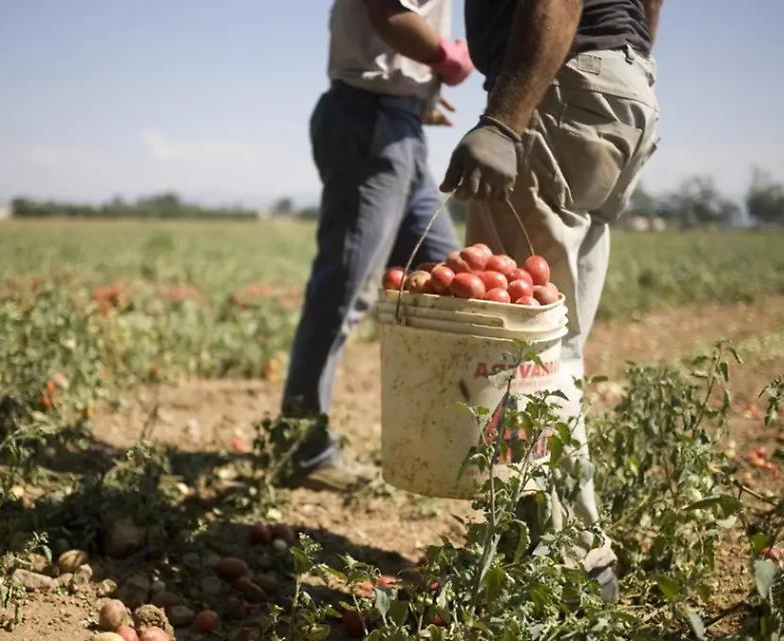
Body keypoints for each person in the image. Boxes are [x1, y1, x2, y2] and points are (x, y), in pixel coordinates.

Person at [440, 0, 662, 602]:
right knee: (556, 344)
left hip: (559, 87)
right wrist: (626, 62)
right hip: (621, 89)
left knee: (523, 351)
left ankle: (570, 566)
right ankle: (542, 549)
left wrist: (503, 122)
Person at [281, 0, 475, 491]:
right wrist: (447, 58)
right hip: (369, 117)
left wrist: (418, 94)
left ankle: (443, 439)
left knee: (446, 281)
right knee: (343, 292)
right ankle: (303, 449)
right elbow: (388, 12)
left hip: (399, 122)